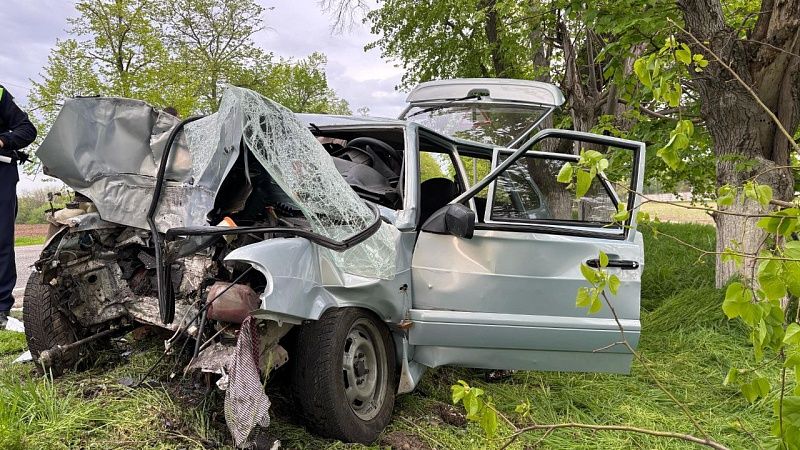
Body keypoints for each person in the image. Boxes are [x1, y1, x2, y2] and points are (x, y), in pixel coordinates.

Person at [0, 85, 37, 326]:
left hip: (1, 174)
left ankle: (1, 308)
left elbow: (27, 130)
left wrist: (3, 140)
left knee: (1, 242)